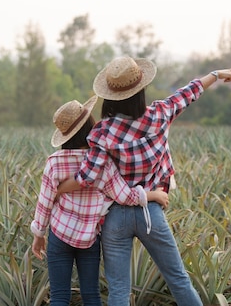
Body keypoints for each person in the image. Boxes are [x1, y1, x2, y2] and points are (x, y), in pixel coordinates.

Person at [60, 56, 231, 306]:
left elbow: (86, 178)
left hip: (116, 216)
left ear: (110, 96)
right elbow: (188, 93)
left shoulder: (102, 132)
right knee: (178, 279)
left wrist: (58, 189)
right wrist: (217, 74)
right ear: (141, 90)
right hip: (151, 212)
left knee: (119, 290)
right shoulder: (160, 114)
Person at [30, 95, 169, 306]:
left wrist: (38, 235)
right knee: (91, 295)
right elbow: (124, 196)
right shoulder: (101, 161)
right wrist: (152, 195)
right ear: (91, 126)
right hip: (89, 239)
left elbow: (44, 202)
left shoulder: (54, 163)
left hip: (60, 235)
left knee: (59, 296)